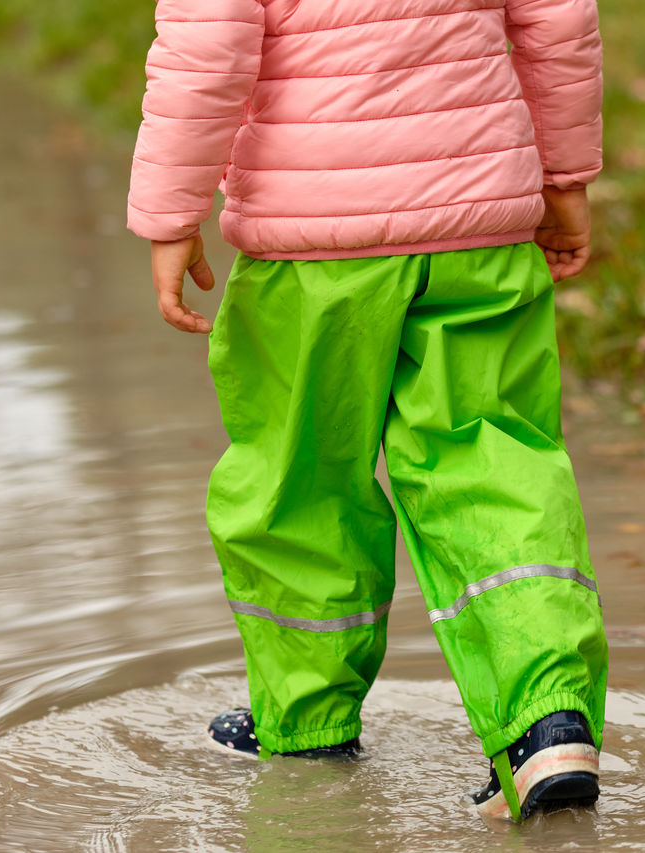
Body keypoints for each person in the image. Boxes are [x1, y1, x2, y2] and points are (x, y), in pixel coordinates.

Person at [126, 0, 608, 823]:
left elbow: (207, 49)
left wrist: (170, 214)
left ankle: (306, 722)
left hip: (307, 247)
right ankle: (545, 722)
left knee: (299, 481)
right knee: (496, 466)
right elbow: (558, 24)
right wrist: (562, 176)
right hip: (477, 232)